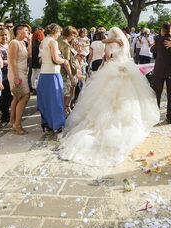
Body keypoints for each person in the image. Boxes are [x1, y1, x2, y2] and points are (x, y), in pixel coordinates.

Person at [58, 27, 160, 166]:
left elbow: (106, 50)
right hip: (124, 69)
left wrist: (111, 42)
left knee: (110, 97)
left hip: (115, 70)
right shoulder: (122, 42)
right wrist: (115, 40)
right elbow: (114, 47)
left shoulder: (113, 42)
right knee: (125, 98)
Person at [37, 24, 71, 134]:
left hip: (43, 73)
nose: (59, 34)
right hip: (52, 73)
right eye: (59, 32)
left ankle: (46, 122)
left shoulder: (43, 41)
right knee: (55, 100)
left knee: (46, 100)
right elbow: (56, 59)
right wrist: (65, 61)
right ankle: (56, 124)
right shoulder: (53, 42)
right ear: (55, 31)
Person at [151, 23, 171, 124]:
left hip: (159, 70)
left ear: (162, 30)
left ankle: (156, 116)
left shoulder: (158, 41)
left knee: (156, 94)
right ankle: (169, 118)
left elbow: (152, 50)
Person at [8, 24, 31, 134]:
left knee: (17, 98)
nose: (28, 32)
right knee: (25, 96)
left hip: (23, 71)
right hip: (16, 72)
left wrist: (30, 41)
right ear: (19, 31)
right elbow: (12, 61)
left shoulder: (23, 42)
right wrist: (16, 76)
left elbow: (29, 55)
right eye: (26, 30)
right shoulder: (14, 43)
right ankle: (17, 124)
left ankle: (12, 121)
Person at [58, 26, 79, 116]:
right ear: (69, 34)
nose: (74, 37)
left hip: (62, 70)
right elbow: (67, 61)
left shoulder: (60, 40)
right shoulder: (65, 44)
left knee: (67, 91)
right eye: (73, 35)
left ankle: (66, 108)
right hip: (65, 71)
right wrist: (71, 76)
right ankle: (64, 109)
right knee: (67, 92)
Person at [0, 28, 12, 128]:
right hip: (2, 72)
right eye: (2, 35)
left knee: (11, 95)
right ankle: (4, 116)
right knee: (4, 95)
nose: (4, 37)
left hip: (11, 71)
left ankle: (9, 116)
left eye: (6, 35)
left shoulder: (10, 45)